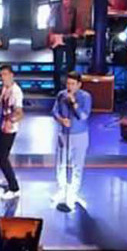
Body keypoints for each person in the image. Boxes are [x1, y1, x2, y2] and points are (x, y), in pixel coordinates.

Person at [52, 71, 92, 212]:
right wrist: (61, 120)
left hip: (80, 135)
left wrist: (74, 103)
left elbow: (83, 116)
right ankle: (62, 189)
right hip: (64, 134)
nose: (70, 87)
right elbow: (54, 111)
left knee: (77, 165)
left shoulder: (85, 97)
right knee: (61, 163)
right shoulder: (61, 95)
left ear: (79, 85)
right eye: (68, 83)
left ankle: (73, 192)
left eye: (73, 84)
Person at [0, 64, 24, 200]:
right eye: (1, 75)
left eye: (5, 74)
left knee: (2, 158)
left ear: (11, 75)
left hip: (9, 129)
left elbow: (20, 113)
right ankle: (7, 178)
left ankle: (14, 188)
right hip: (1, 125)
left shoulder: (16, 92)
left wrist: (13, 120)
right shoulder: (5, 88)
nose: (2, 77)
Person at [49, 0, 83, 91]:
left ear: (71, 0)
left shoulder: (74, 10)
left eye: (68, 0)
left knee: (70, 64)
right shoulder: (56, 9)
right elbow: (50, 22)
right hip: (58, 39)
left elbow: (78, 25)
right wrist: (52, 35)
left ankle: (70, 87)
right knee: (57, 65)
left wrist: (77, 32)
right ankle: (57, 88)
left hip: (69, 39)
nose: (66, 2)